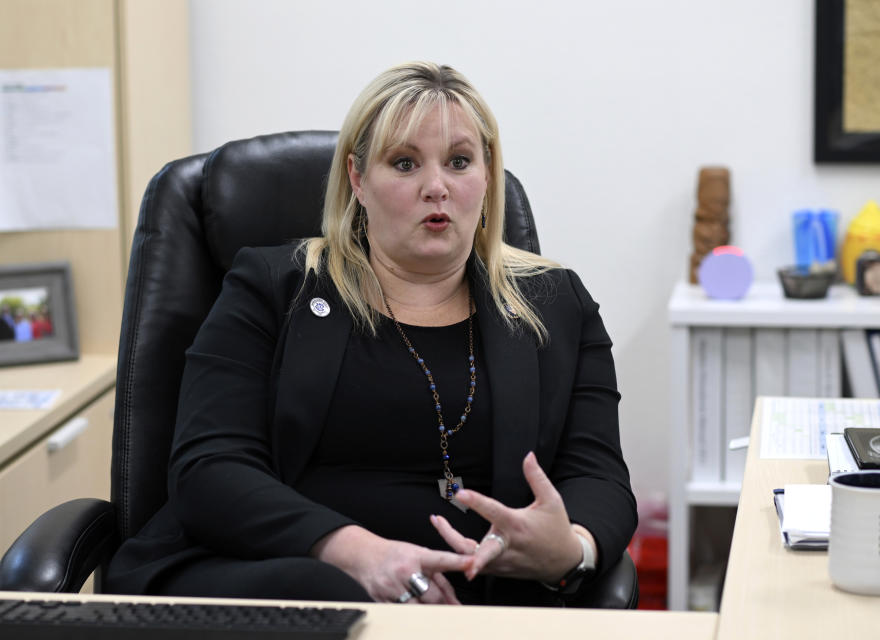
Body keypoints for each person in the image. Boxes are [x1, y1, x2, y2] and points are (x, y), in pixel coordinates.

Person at [106, 61, 636, 606]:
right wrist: (356, 554)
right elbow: (209, 467)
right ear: (358, 180)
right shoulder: (272, 287)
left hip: (483, 598)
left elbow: (598, 475)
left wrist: (573, 549)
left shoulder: (555, 303)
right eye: (404, 163)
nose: (437, 187)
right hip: (282, 578)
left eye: (459, 161)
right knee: (322, 591)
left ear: (487, 174)